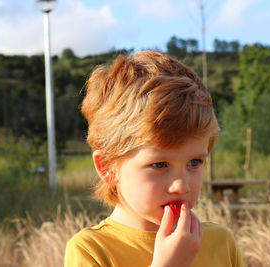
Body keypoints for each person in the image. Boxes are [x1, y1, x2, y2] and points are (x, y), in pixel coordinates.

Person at [65, 50, 243, 267]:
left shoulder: (220, 243)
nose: (181, 186)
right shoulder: (92, 251)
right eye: (159, 164)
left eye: (194, 162)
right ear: (108, 167)